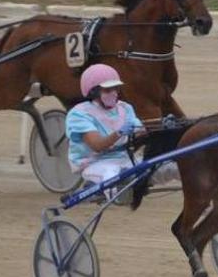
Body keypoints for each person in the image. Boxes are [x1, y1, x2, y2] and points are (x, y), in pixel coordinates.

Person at [66, 64, 155, 202]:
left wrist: (158, 128)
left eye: (116, 89)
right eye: (108, 90)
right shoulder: (79, 114)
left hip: (126, 159)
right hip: (95, 164)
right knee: (112, 174)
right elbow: (97, 145)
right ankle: (117, 195)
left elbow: (141, 133)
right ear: (94, 92)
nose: (114, 93)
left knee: (164, 165)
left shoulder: (125, 108)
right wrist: (119, 133)